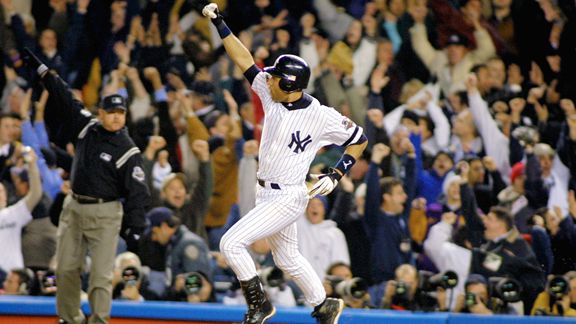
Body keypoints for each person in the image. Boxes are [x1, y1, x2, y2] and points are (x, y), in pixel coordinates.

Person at [201, 3, 368, 323]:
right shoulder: (270, 90)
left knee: (230, 243)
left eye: (276, 77)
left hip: (289, 195)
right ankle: (325, 305)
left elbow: (359, 139)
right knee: (287, 256)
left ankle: (258, 304)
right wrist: (220, 24)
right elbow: (245, 61)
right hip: (266, 191)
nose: (269, 78)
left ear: (290, 85)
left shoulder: (320, 115)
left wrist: (337, 172)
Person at [24, 49, 151, 324]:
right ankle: (69, 319)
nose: (117, 117)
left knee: (101, 276)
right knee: (67, 269)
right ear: (101, 113)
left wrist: (136, 227)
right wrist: (45, 73)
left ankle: (99, 321)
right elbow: (66, 98)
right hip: (74, 207)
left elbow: (138, 193)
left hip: (106, 215)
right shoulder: (86, 127)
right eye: (112, 112)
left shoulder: (129, 150)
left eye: (121, 112)